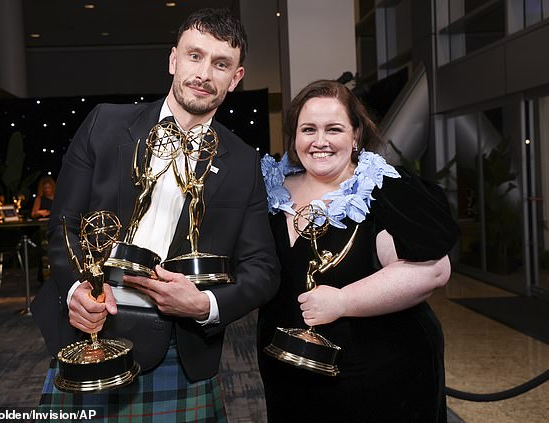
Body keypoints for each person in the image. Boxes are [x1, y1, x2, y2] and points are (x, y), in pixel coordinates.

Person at [31, 8, 280, 422]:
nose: (204, 73)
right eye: (194, 56)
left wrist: (204, 304)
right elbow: (64, 227)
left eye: (220, 64)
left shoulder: (243, 162)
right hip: (91, 331)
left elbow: (263, 269)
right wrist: (76, 290)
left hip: (177, 349)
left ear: (236, 78)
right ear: (173, 60)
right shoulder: (104, 125)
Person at [257, 79, 460, 422]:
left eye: (333, 129)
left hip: (381, 377)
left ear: (355, 136)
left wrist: (343, 301)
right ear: (294, 136)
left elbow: (435, 270)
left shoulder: (384, 188)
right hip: (288, 372)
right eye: (308, 129)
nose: (319, 141)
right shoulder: (269, 191)